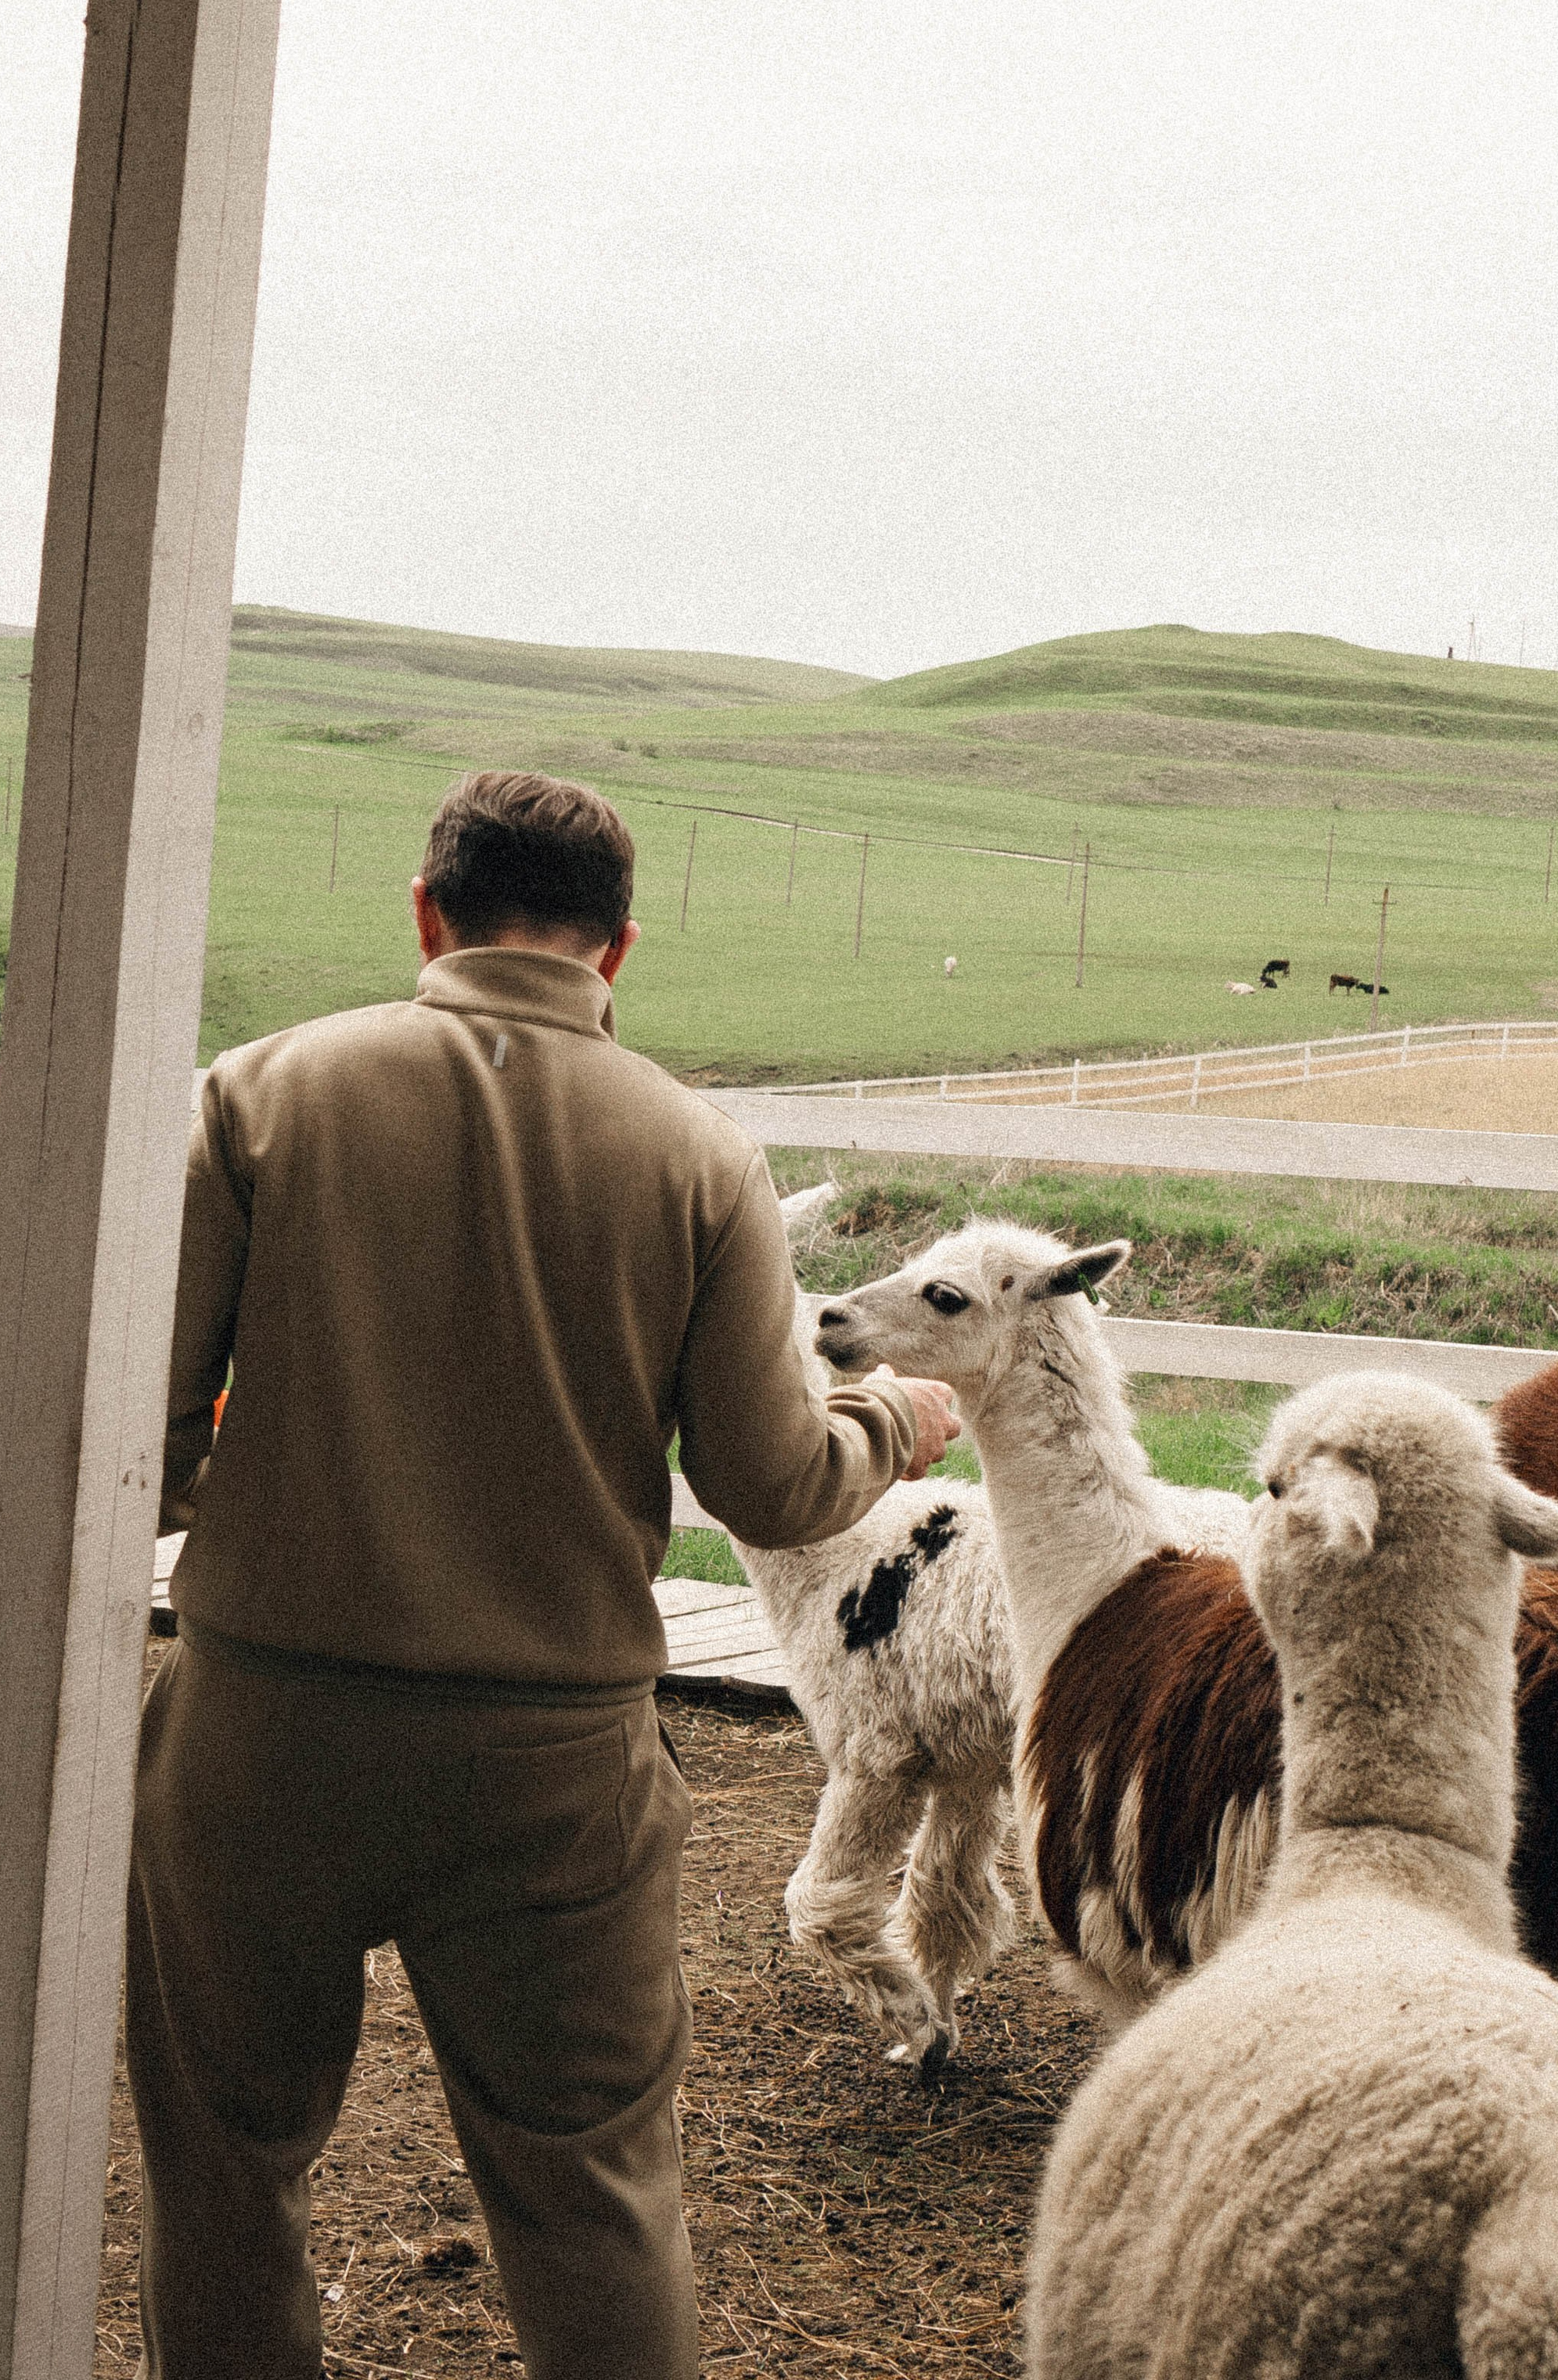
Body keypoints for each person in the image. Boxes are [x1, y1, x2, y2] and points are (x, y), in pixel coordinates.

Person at [127, 769, 957, 2380]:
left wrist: (288, 1495)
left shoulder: (259, 1095)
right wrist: (888, 1416)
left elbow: (134, 1442)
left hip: (262, 1734)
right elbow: (773, 1489)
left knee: (226, 2176)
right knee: (590, 2199)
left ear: (429, 915)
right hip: (552, 1764)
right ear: (615, 953)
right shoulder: (698, 1156)